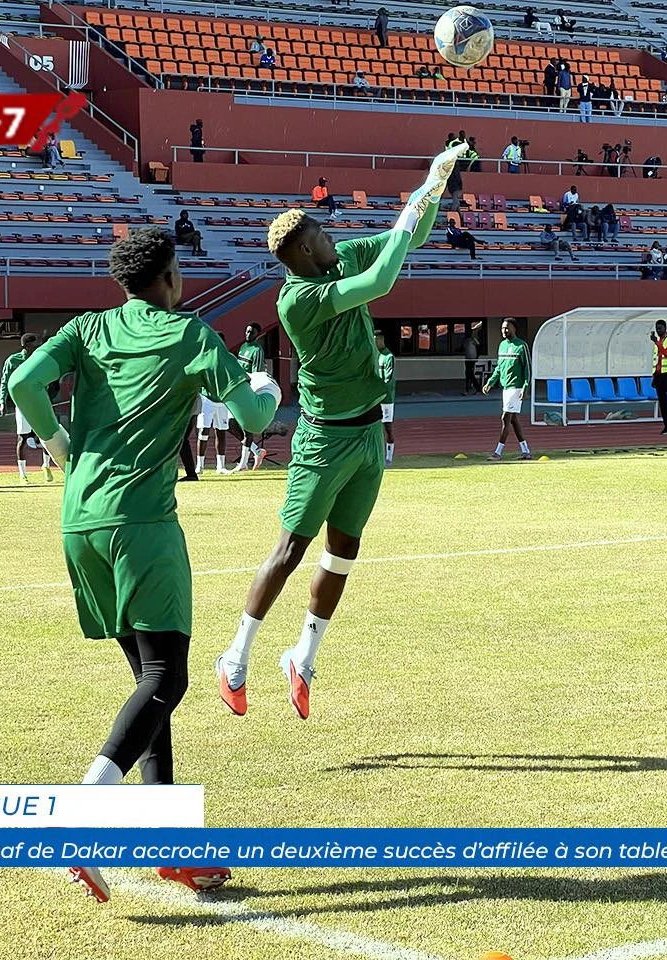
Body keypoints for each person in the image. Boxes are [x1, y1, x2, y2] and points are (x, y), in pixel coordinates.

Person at [7, 227, 278, 902]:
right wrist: (266, 390)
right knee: (166, 676)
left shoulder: (89, 328)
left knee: (152, 685)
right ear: (170, 277)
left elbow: (21, 381)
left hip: (80, 519)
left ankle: (173, 849)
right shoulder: (191, 336)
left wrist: (59, 443)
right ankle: (83, 817)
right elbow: (250, 416)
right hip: (142, 524)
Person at [214, 141, 468, 720]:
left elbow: (413, 238)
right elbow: (381, 282)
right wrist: (424, 180)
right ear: (303, 251)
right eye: (326, 236)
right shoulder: (296, 301)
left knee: (343, 554)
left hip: (367, 435)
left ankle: (302, 656)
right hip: (323, 439)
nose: (337, 239)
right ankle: (236, 656)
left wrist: (434, 187)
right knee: (289, 550)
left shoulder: (339, 258)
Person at [0, 333, 57, 482]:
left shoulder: (40, 359)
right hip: (22, 404)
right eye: (34, 344)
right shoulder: (13, 360)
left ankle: (46, 466)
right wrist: (2, 401)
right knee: (23, 438)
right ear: (25, 345)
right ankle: (23, 474)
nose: (37, 346)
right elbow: (5, 381)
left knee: (46, 435)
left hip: (40, 402)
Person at [482, 318, 531, 461]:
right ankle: (526, 451)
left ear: (514, 329)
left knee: (505, 417)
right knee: (513, 420)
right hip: (506, 387)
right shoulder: (502, 345)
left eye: (507, 328)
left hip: (516, 388)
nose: (504, 330)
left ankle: (498, 452)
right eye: (503, 328)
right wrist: (490, 382)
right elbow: (499, 367)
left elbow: (527, 368)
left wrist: (525, 387)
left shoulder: (521, 346)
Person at [234, 322, 269, 470]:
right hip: (238, 388)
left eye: (252, 333)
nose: (248, 335)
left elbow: (258, 374)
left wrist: (253, 392)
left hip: (248, 390)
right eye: (247, 331)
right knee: (231, 424)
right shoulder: (243, 347)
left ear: (257, 335)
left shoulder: (257, 350)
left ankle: (243, 464)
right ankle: (256, 450)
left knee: (246, 426)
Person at [375, 329, 396, 466]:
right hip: (374, 399)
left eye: (376, 339)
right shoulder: (374, 356)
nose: (374, 342)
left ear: (381, 340)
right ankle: (376, 456)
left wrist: (377, 390)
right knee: (373, 428)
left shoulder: (389, 357)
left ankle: (389, 456)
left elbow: (387, 380)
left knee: (387, 428)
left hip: (386, 399)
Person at [463, 327, 480, 393]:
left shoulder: (473, 339)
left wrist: (477, 356)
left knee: (469, 373)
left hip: (472, 358)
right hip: (467, 358)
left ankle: (477, 387)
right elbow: (464, 348)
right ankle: (467, 388)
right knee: (467, 373)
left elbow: (479, 346)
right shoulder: (465, 341)